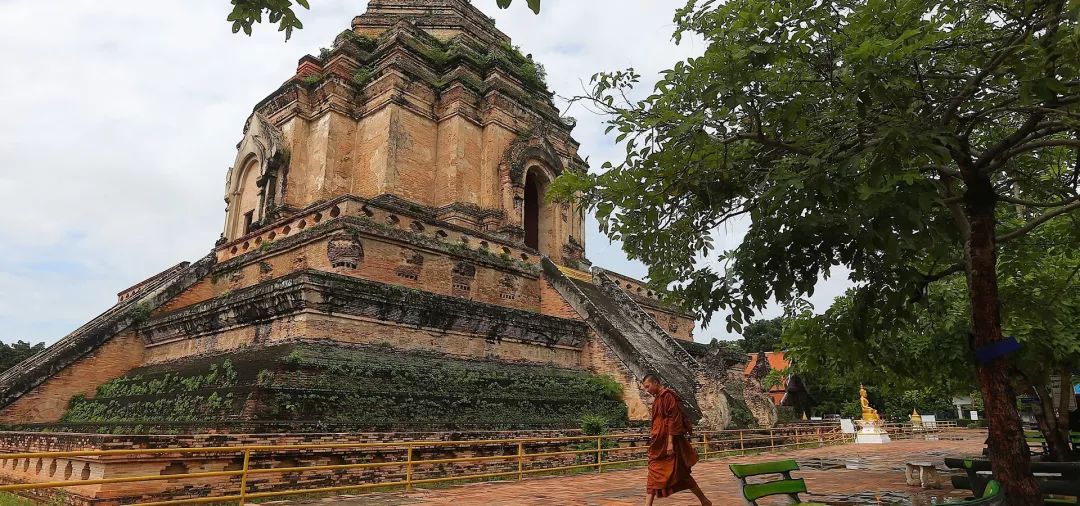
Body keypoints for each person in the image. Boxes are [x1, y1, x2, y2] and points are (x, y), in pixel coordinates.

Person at [642, 373, 712, 506]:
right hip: (658, 443)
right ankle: (704, 500)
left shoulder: (668, 396)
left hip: (670, 444)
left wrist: (670, 443)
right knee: (653, 471)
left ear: (656, 383)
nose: (647, 390)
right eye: (645, 388)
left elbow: (673, 419)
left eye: (648, 386)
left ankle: (704, 500)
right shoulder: (658, 399)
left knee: (681, 474)